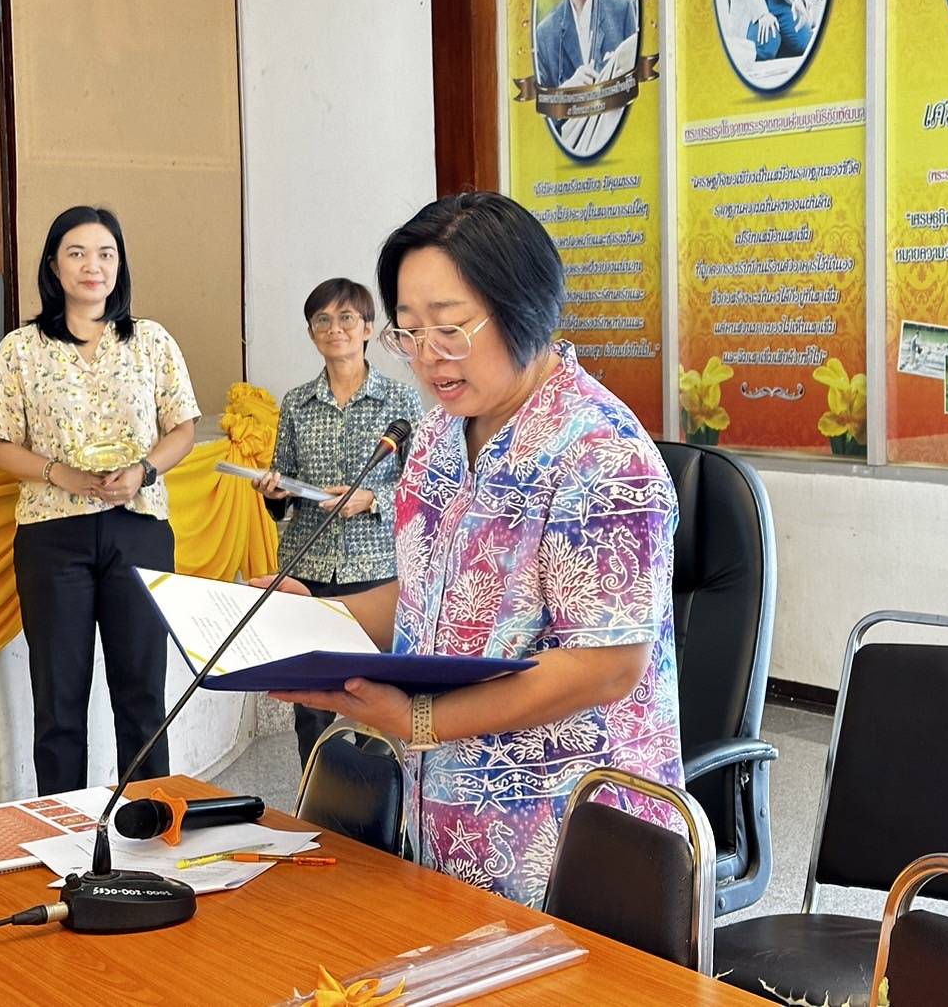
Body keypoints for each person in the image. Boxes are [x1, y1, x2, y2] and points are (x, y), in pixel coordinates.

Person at [265, 192, 683, 907]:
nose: (428, 357)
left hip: (575, 841)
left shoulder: (602, 454)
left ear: (524, 309)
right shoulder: (436, 434)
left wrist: (420, 722)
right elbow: (426, 598)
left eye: (450, 329)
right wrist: (317, 617)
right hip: (447, 823)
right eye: (408, 332)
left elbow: (607, 666)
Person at [0, 205, 199, 795]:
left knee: (142, 694)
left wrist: (145, 470)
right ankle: (65, 826)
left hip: (138, 527)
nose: (92, 266)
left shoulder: (150, 341)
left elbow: (182, 428)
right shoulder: (20, 349)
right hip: (53, 534)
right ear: (54, 266)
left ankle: (149, 819)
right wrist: (60, 474)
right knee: (58, 698)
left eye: (105, 253)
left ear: (119, 265)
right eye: (76, 253)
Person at [250, 278, 423, 767]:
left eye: (346, 318)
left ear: (367, 328)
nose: (335, 329)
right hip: (308, 567)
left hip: (376, 569)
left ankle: (379, 791)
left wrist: (372, 499)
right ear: (311, 333)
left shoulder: (401, 400)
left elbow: (422, 489)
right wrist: (275, 492)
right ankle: (315, 788)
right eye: (322, 320)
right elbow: (284, 478)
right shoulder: (296, 402)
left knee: (377, 693)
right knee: (311, 701)